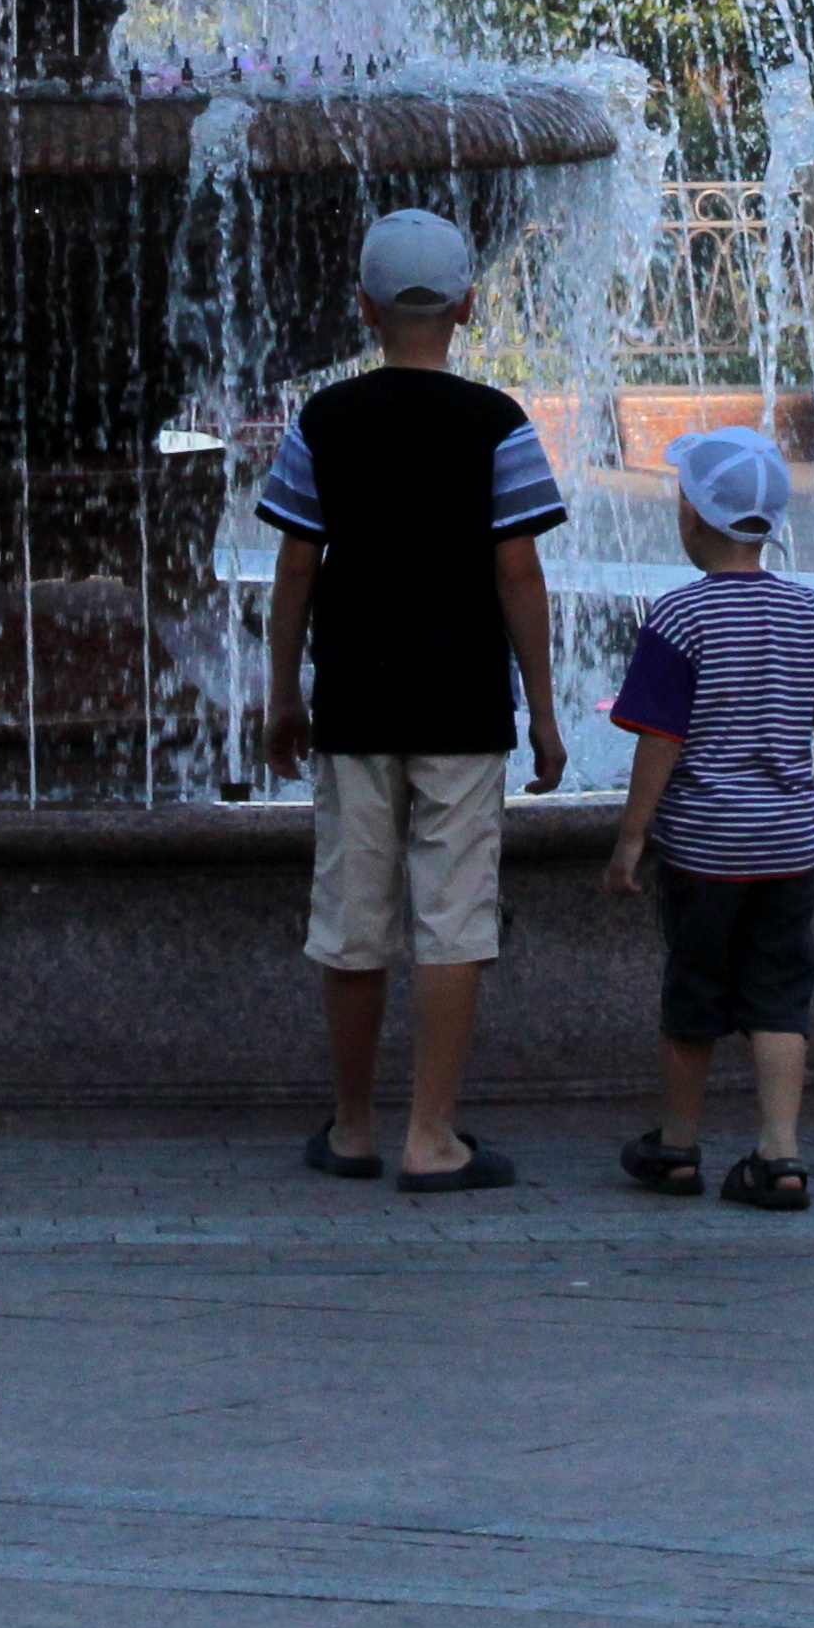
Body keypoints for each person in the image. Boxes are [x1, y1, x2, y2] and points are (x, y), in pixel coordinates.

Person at [259, 205, 571, 1193]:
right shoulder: (498, 425)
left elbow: (296, 569)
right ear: (469, 306)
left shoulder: (324, 420)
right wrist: (546, 709)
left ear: (364, 307)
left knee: (352, 917)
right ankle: (432, 1136)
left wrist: (281, 691)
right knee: (453, 918)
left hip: (355, 705)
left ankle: (352, 1126)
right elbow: (518, 574)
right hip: (463, 711)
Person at [605, 426, 814, 1214]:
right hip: (787, 845)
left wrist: (631, 834)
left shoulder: (678, 618)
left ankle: (679, 1148)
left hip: (704, 848)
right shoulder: (806, 609)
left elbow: (662, 738)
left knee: (694, 992)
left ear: (690, 513)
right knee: (780, 993)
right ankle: (780, 1153)